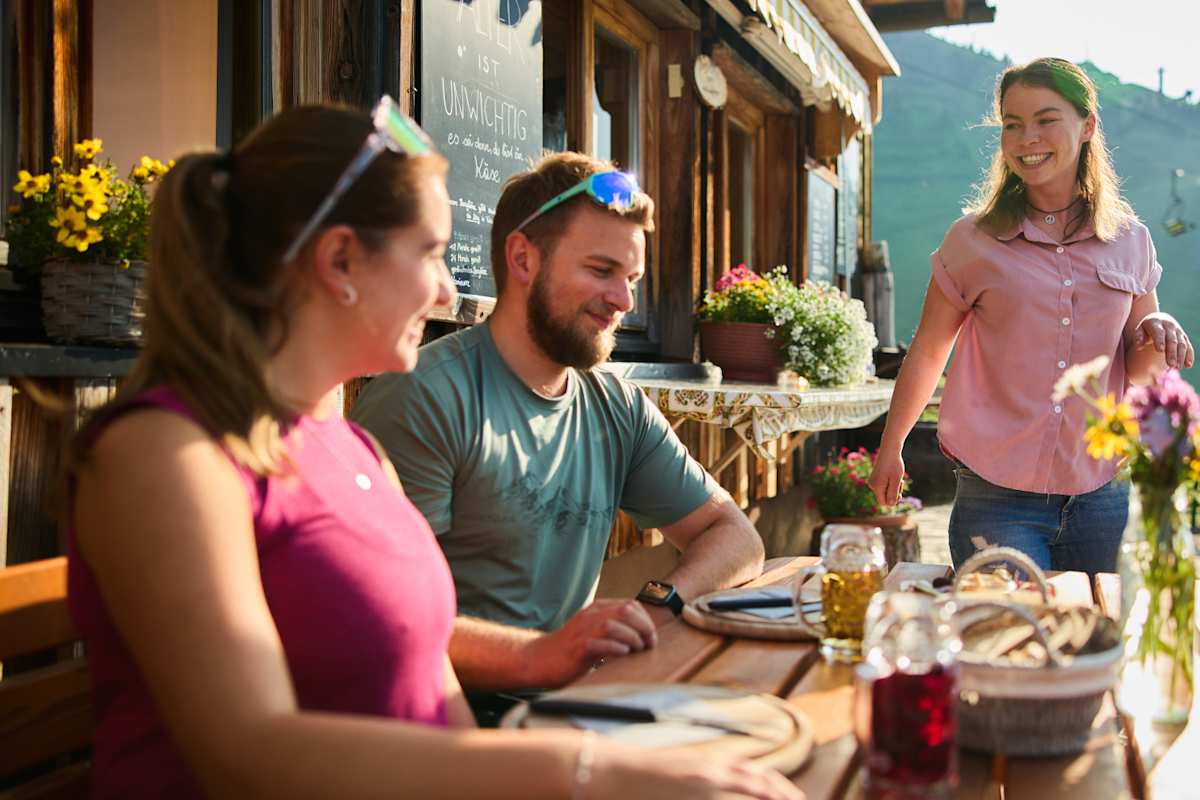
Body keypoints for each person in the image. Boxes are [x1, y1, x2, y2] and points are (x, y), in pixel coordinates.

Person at [65, 101, 802, 800]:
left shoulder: (348, 447)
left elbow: (429, 680)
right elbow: (246, 756)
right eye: (430, 253)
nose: (450, 291)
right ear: (341, 261)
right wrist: (583, 772)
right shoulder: (165, 456)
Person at [350, 152, 766, 711]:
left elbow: (735, 534)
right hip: (450, 712)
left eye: (631, 278)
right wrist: (543, 653)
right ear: (523, 259)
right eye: (601, 271)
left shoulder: (617, 405)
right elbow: (383, 619)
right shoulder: (426, 397)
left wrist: (656, 605)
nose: (623, 301)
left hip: (573, 699)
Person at [868, 57, 1195, 576]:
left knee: (1094, 641)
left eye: (1045, 120)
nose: (1027, 138)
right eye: (1012, 125)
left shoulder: (1131, 241)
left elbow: (1136, 370)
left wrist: (1163, 328)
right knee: (1004, 641)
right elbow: (930, 350)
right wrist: (892, 446)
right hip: (996, 499)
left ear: (1087, 126)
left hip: (1100, 496)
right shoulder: (971, 240)